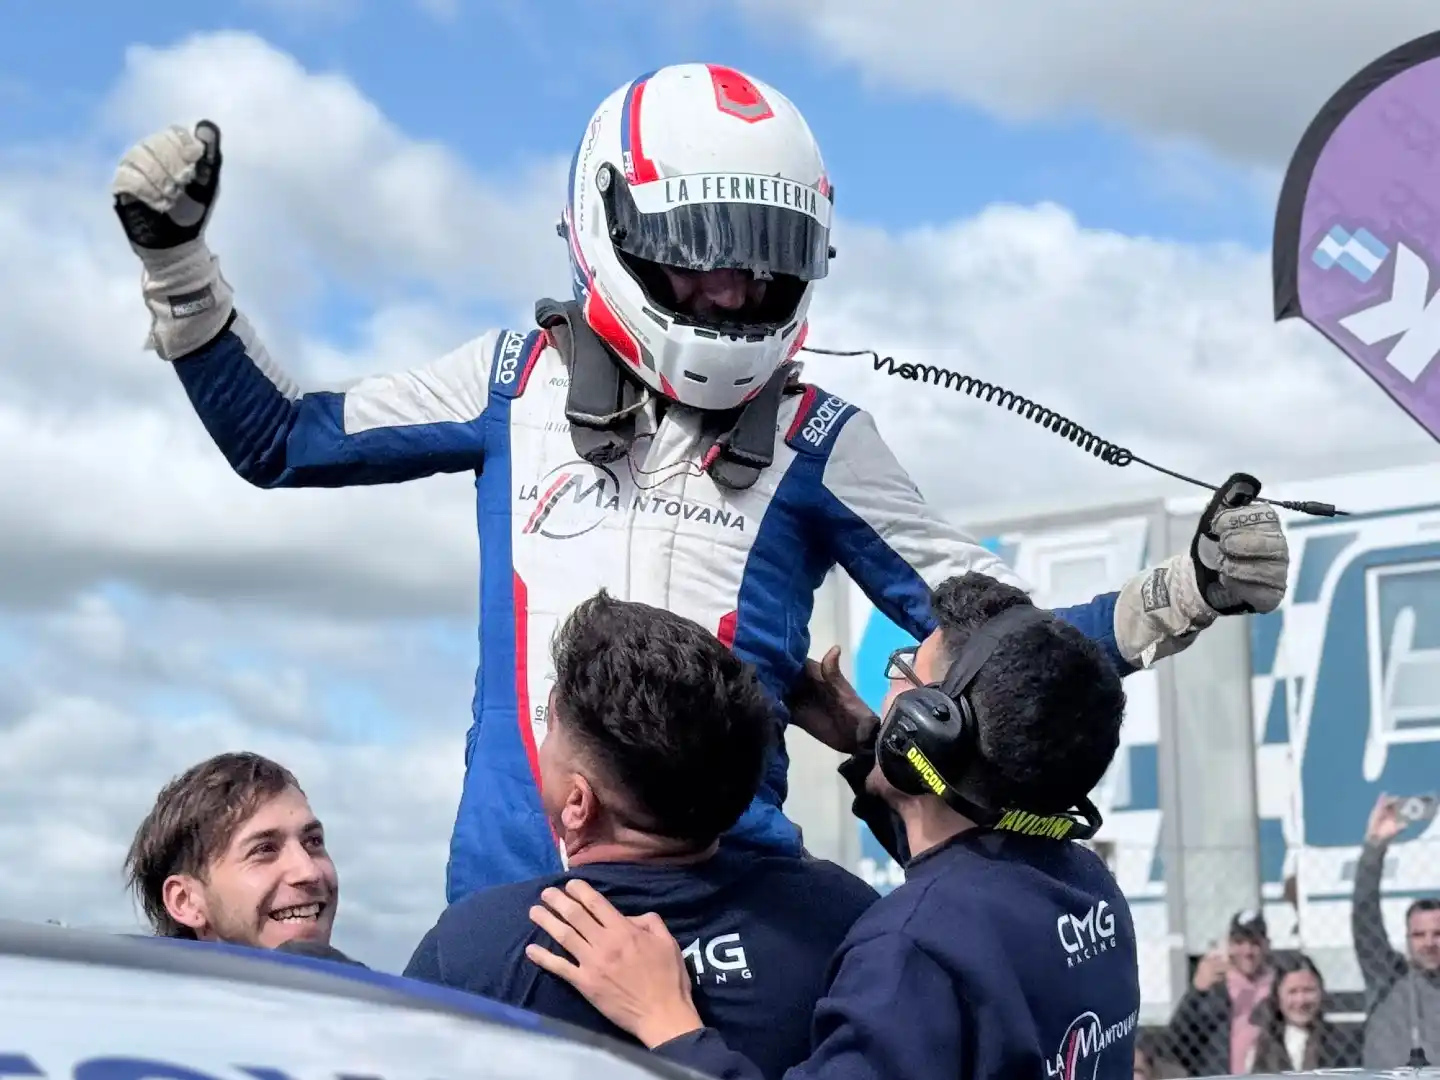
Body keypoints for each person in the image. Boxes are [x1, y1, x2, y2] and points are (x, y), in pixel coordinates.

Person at [109, 63, 1291, 900]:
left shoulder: (824, 437)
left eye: (761, 258)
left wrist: (1186, 589)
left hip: (733, 901)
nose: (729, 292)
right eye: (697, 249)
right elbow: (282, 440)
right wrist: (175, 259)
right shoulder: (510, 379)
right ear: (605, 220)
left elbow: (1006, 641)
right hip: (516, 896)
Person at [524, 573, 1141, 1080]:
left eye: (905, 674)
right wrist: (876, 744)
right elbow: (968, 876)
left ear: (930, 727)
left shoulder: (908, 952)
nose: (889, 683)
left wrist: (668, 1023)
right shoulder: (1085, 885)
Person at [404, 590, 877, 1079]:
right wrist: (872, 747)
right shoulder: (844, 918)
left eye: (552, 729)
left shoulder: (470, 952)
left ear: (577, 803)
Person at [124, 752, 345, 953]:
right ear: (186, 900)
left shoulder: (367, 994)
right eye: (265, 849)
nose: (309, 872)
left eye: (313, 841)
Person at [1352, 792, 1440, 1068]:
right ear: (1407, 939)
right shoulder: (1387, 978)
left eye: (1438, 934)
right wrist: (1375, 847)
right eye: (1419, 935)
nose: (1428, 942)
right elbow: (1365, 917)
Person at [1166, 910, 1274, 1077]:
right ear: (1229, 945)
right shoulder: (1214, 987)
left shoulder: (1278, 985)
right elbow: (1176, 1043)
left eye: (1255, 943)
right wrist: (1197, 992)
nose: (1248, 951)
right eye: (1239, 942)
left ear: (1267, 945)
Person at [1246, 953, 1353, 1072]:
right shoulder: (1263, 1046)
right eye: (1292, 992)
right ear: (1278, 996)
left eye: (1308, 991)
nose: (1301, 1000)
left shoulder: (1341, 1043)